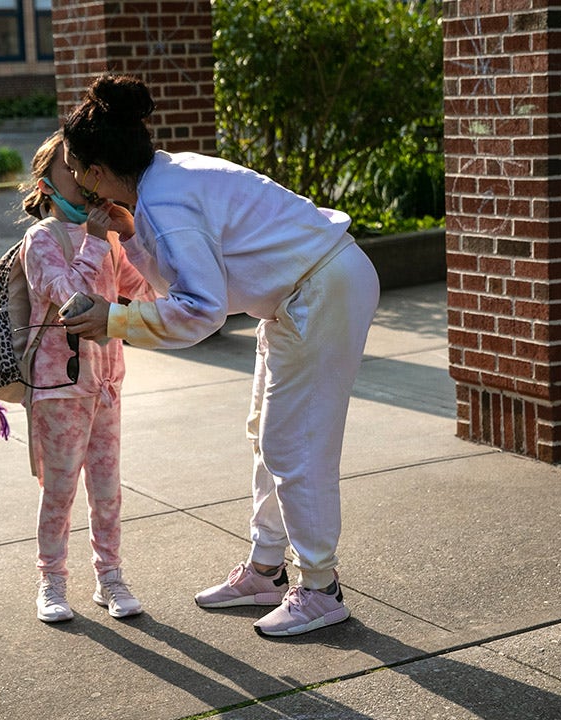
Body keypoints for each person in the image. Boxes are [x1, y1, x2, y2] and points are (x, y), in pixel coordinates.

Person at [60, 75, 381, 637]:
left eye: (71, 166)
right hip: (305, 291)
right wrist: (129, 236)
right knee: (267, 433)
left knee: (294, 444)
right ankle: (266, 570)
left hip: (320, 290)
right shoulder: (159, 189)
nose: (68, 178)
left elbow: (200, 310)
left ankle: (321, 589)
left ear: (93, 172)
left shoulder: (168, 201)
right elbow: (175, 287)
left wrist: (113, 321)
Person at [12, 131, 158, 623]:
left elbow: (147, 294)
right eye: (69, 171)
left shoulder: (109, 238)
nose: (81, 178)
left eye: (84, 169)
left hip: (107, 383)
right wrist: (98, 242)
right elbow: (71, 297)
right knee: (59, 489)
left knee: (107, 487)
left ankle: (110, 577)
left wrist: (130, 235)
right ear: (46, 184)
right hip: (58, 387)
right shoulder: (40, 241)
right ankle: (51, 581)